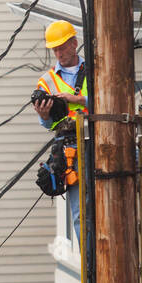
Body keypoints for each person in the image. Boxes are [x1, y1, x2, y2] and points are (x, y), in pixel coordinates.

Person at [31, 20, 89, 244]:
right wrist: (45, 116)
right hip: (71, 147)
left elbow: (111, 101)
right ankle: (90, 265)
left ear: (74, 43)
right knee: (80, 214)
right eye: (54, 49)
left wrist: (79, 99)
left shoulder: (95, 70)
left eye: (62, 46)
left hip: (102, 137)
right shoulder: (47, 81)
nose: (59, 53)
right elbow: (47, 125)